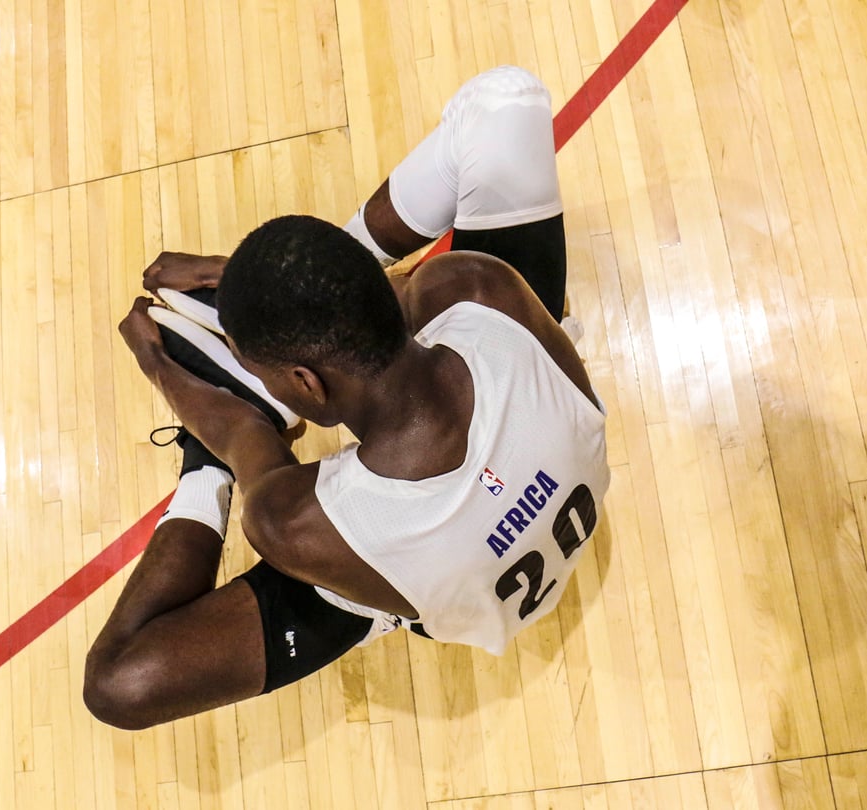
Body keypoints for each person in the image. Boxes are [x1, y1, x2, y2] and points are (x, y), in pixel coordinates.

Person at [83, 66, 609, 730]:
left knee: (119, 685)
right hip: (535, 458)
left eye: (269, 370)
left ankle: (202, 473)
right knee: (507, 101)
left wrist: (158, 364)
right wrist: (260, 278)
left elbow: (248, 432)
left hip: (408, 581)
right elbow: (379, 294)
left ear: (305, 384)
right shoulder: (474, 286)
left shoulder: (296, 521)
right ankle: (297, 293)